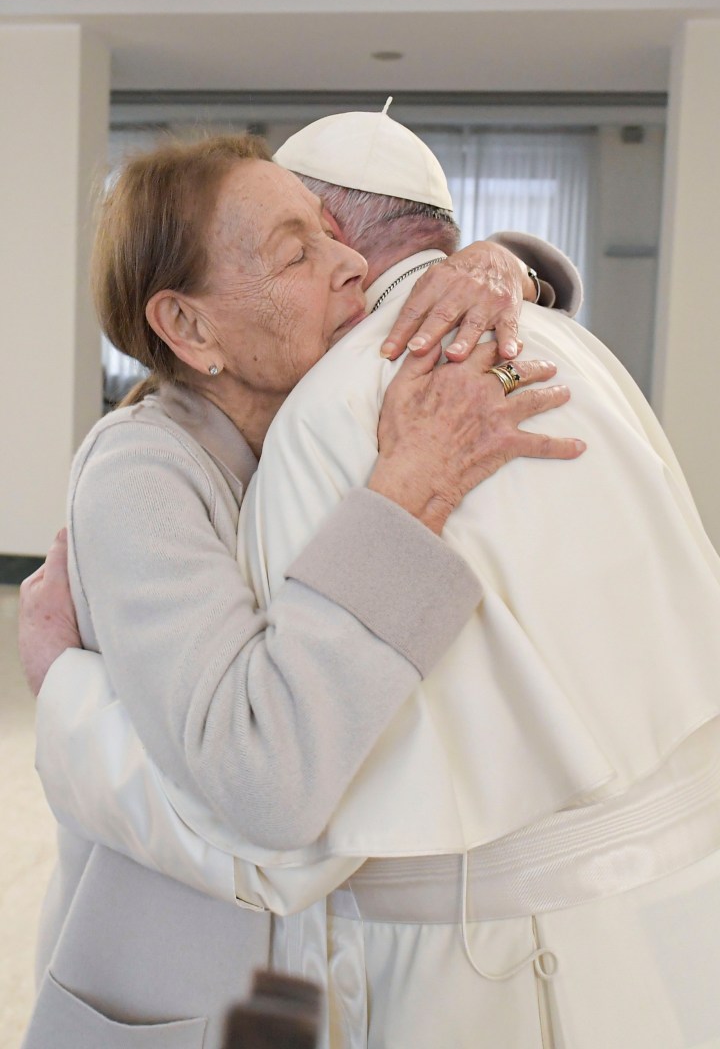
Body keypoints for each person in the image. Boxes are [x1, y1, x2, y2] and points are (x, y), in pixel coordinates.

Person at [24, 108, 720, 1048]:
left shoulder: (299, 411)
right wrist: (403, 496)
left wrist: (490, 260)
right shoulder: (142, 474)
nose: (353, 264)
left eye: (334, 234)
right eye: (299, 250)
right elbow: (264, 781)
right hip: (183, 976)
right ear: (187, 325)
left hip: (275, 973)